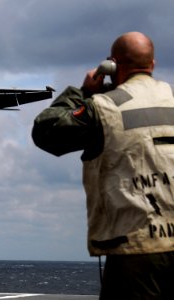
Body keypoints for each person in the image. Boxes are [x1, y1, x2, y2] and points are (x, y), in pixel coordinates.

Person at [32, 32, 174, 299]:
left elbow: (46, 131)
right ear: (153, 64)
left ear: (111, 65)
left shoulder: (104, 107)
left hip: (136, 251)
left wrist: (83, 91)